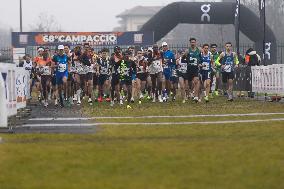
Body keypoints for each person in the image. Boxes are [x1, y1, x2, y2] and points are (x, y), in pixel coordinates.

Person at [187, 38, 202, 102]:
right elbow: (184, 59)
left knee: (196, 81)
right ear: (190, 43)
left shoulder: (199, 50)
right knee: (190, 84)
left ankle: (196, 96)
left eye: (194, 42)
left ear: (196, 43)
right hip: (189, 69)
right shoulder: (187, 51)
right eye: (191, 42)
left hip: (196, 68)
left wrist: (200, 64)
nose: (193, 43)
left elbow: (202, 58)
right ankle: (191, 91)